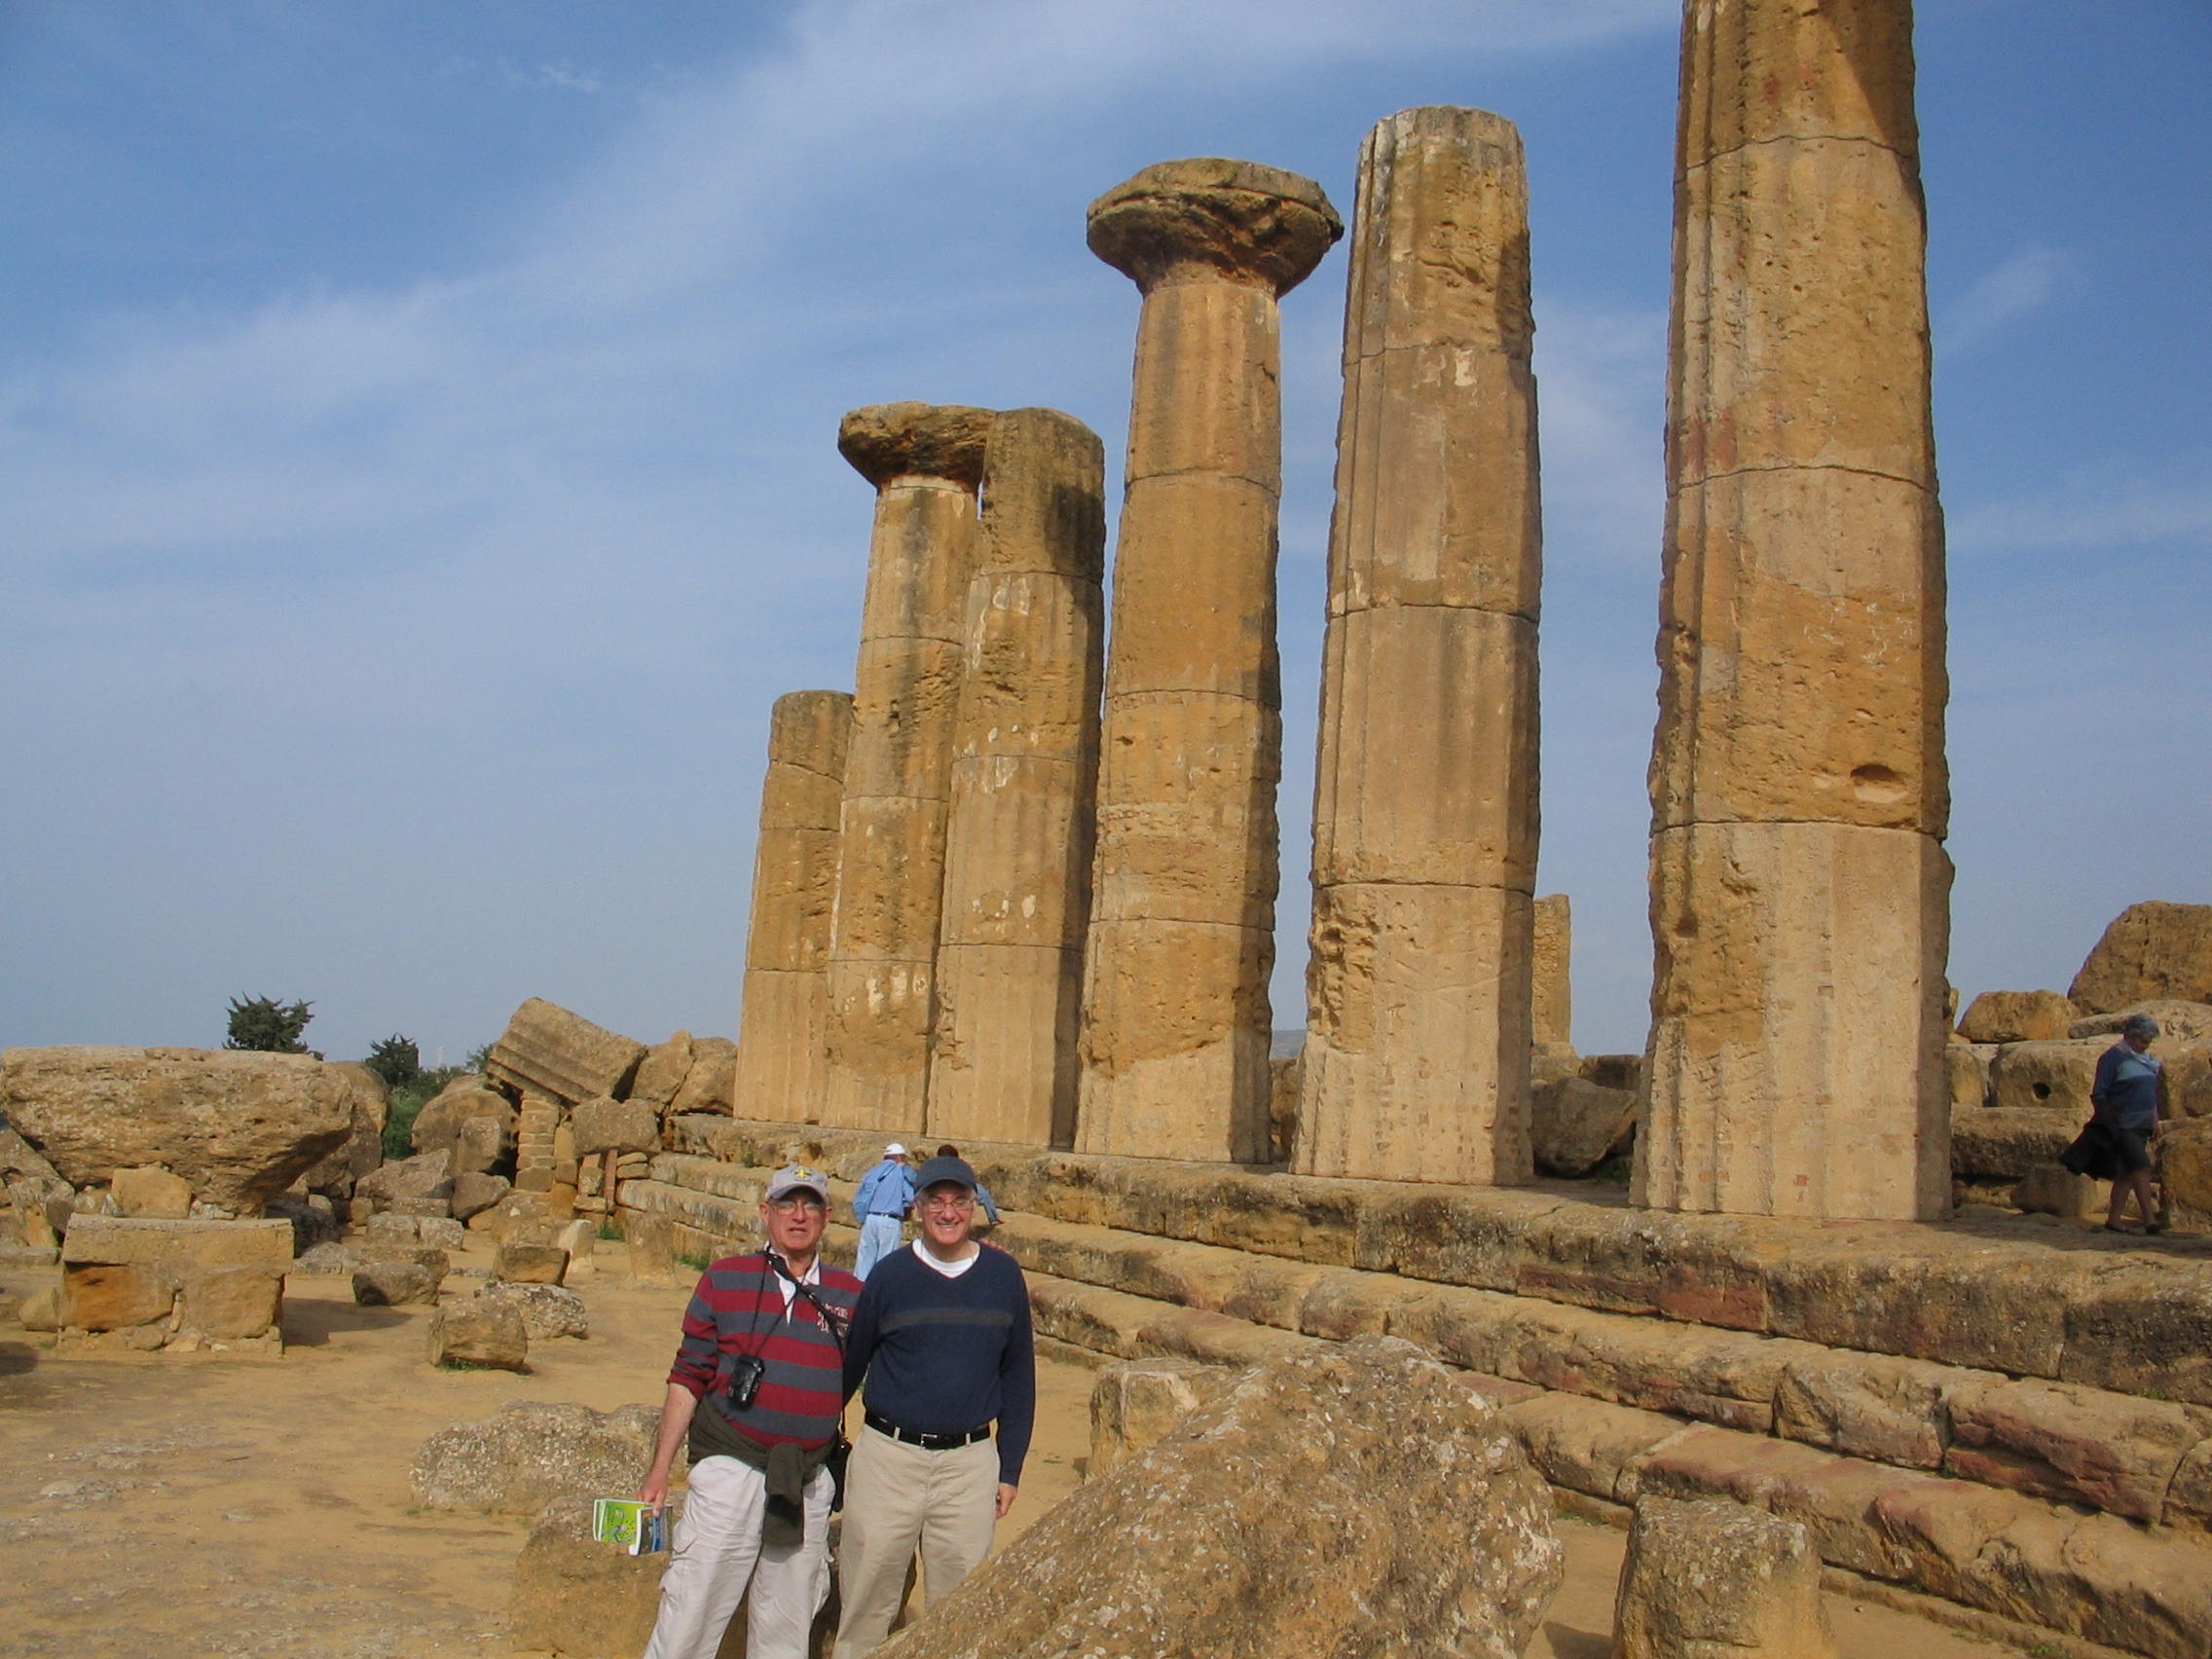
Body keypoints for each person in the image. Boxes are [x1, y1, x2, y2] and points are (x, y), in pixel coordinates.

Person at [636, 1164, 861, 1659]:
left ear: (826, 1217)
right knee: (691, 1610)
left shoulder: (850, 1295)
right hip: (730, 1470)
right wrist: (658, 1471)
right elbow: (687, 1376)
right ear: (765, 1213)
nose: (798, 1217)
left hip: (805, 1476)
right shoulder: (724, 1278)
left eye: (809, 1206)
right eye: (786, 1204)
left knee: (787, 1625)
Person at [831, 1155, 1034, 1659]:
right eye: (936, 1202)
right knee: (865, 1606)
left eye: (959, 1201)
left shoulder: (1004, 1276)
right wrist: (820, 1444)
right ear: (917, 1208)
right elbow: (850, 1365)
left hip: (968, 1466)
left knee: (959, 1613)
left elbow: (1018, 1377)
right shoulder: (889, 1276)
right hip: (888, 1458)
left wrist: (1009, 1469)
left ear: (974, 1207)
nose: (948, 1212)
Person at [2094, 1012, 2166, 1235]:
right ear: (2129, 1037)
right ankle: (2150, 1221)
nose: (2145, 1046)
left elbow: (2150, 1093)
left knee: (2126, 1173)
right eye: (2142, 1041)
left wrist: (2155, 1119)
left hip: (2143, 1123)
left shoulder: (2147, 1061)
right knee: (2142, 1168)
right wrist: (2109, 1120)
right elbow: (2099, 1093)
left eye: (2148, 1042)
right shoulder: (2113, 1058)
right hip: (2123, 1123)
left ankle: (2114, 1220)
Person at [850, 1142, 913, 1281]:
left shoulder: (872, 1172)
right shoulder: (900, 1172)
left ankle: (858, 1293)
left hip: (871, 1219)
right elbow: (910, 1197)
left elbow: (861, 1195)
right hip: (889, 1220)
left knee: (864, 1260)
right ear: (899, 1158)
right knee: (886, 1262)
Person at [932, 1143, 999, 1225]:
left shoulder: (935, 1167)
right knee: (985, 1195)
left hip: (944, 1191)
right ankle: (994, 1218)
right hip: (963, 1189)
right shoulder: (959, 1166)